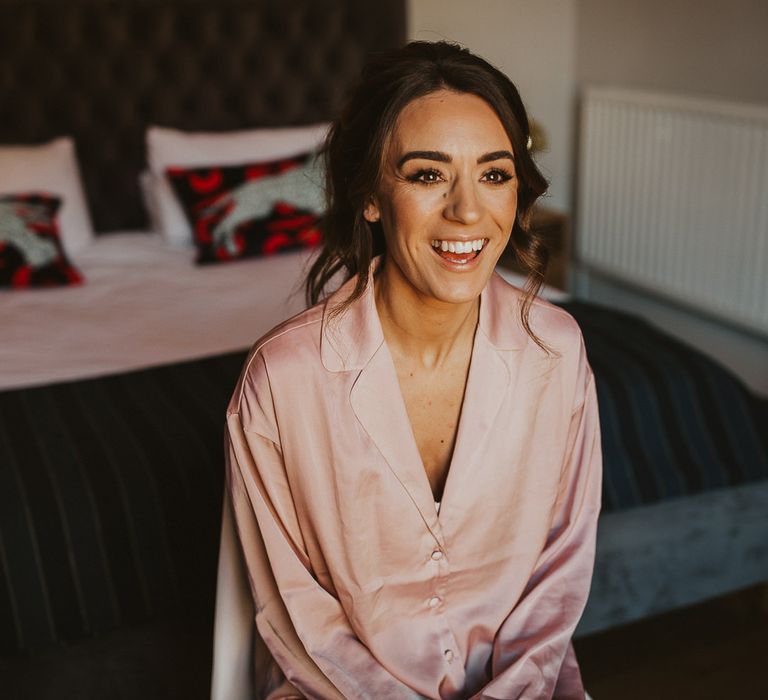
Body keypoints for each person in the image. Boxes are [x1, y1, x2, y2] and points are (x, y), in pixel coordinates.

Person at [223, 41, 602, 699]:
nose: (467, 212)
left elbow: (559, 577)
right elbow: (295, 612)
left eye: (493, 174)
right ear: (371, 197)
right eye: (428, 175)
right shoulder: (282, 381)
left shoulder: (558, 353)